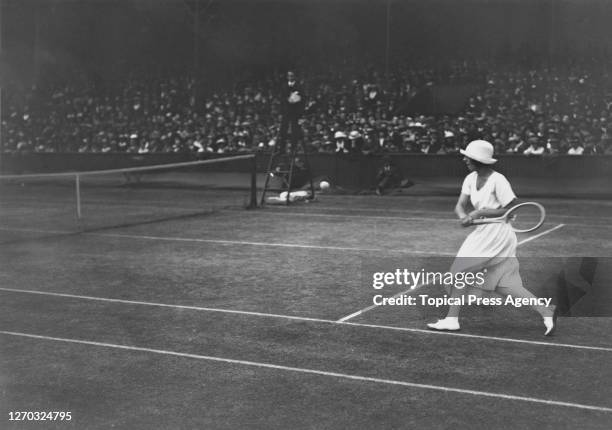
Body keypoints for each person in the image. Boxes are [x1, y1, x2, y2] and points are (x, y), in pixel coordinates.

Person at [427, 140, 557, 336]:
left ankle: (452, 319)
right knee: (505, 285)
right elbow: (459, 206)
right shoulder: (470, 178)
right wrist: (464, 217)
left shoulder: (499, 180)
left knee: (458, 272)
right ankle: (546, 310)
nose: (464, 159)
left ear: (477, 160)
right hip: (482, 234)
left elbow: (511, 210)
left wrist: (481, 213)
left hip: (497, 235)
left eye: (467, 157)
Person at [277, 70, 305, 155]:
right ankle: (282, 149)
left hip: (295, 112)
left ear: (295, 77)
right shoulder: (284, 86)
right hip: (286, 112)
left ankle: (293, 149)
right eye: (289, 76)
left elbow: (303, 99)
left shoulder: (299, 87)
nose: (291, 78)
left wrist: (296, 101)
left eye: (292, 76)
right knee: (283, 130)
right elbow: (281, 100)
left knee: (294, 130)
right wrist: (281, 112)